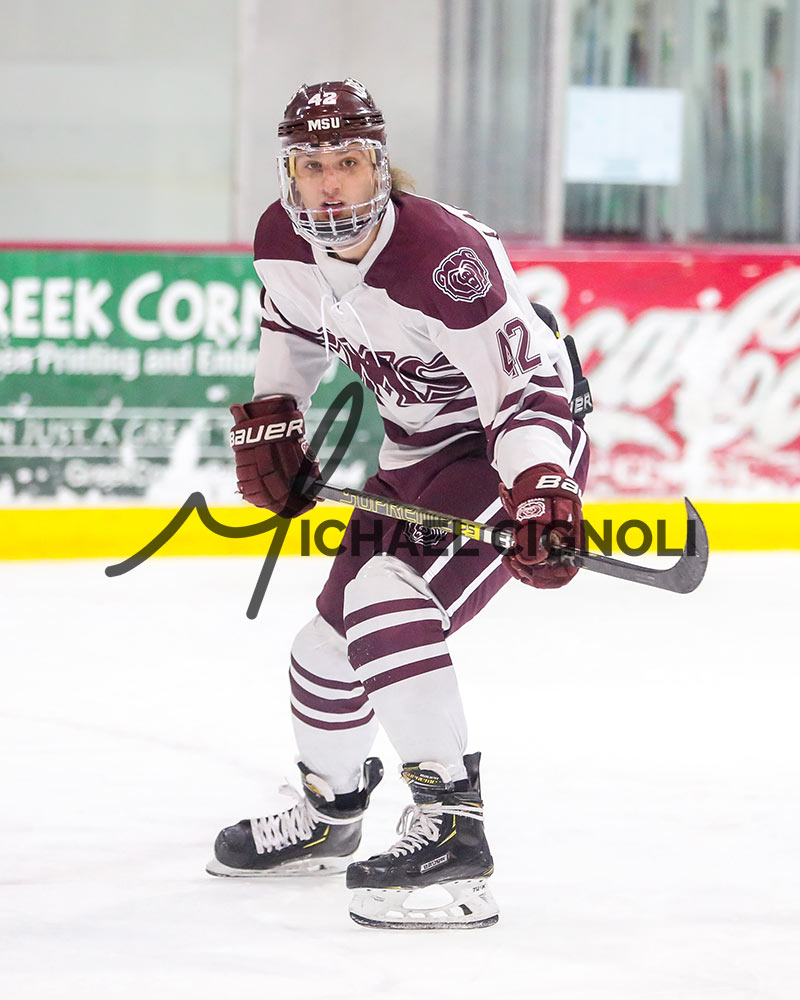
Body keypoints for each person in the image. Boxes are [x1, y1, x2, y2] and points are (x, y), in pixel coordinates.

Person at [206, 79, 590, 930]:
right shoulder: (281, 242)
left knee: (387, 599)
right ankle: (330, 816)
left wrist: (541, 489)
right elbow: (292, 330)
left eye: (346, 162)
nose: (329, 183)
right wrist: (275, 417)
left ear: (379, 165)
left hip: (504, 455)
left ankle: (454, 833)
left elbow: (525, 391)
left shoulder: (442, 258)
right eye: (312, 166)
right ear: (289, 173)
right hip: (413, 456)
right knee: (323, 652)